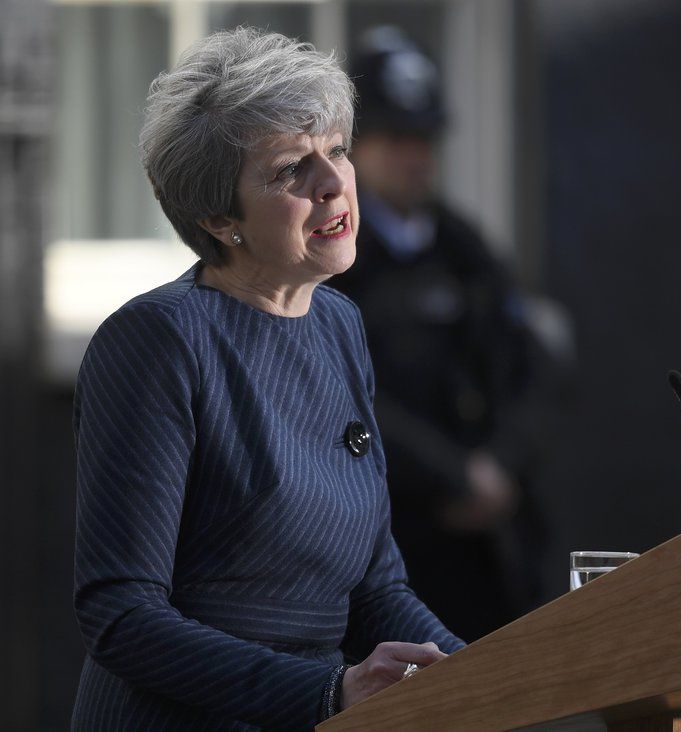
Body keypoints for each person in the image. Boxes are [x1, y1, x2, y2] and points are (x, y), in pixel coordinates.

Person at [71, 28, 463, 730]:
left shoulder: (339, 324)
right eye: (291, 170)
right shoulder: (158, 340)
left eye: (337, 149)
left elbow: (375, 587)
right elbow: (120, 616)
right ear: (221, 219)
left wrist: (493, 675)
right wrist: (329, 691)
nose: (333, 180)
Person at [329, 28, 559, 642]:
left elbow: (529, 369)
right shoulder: (335, 259)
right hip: (386, 550)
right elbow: (342, 396)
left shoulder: (466, 250)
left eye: (424, 138)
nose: (414, 157)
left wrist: (500, 468)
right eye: (396, 139)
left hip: (490, 551)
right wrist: (451, 475)